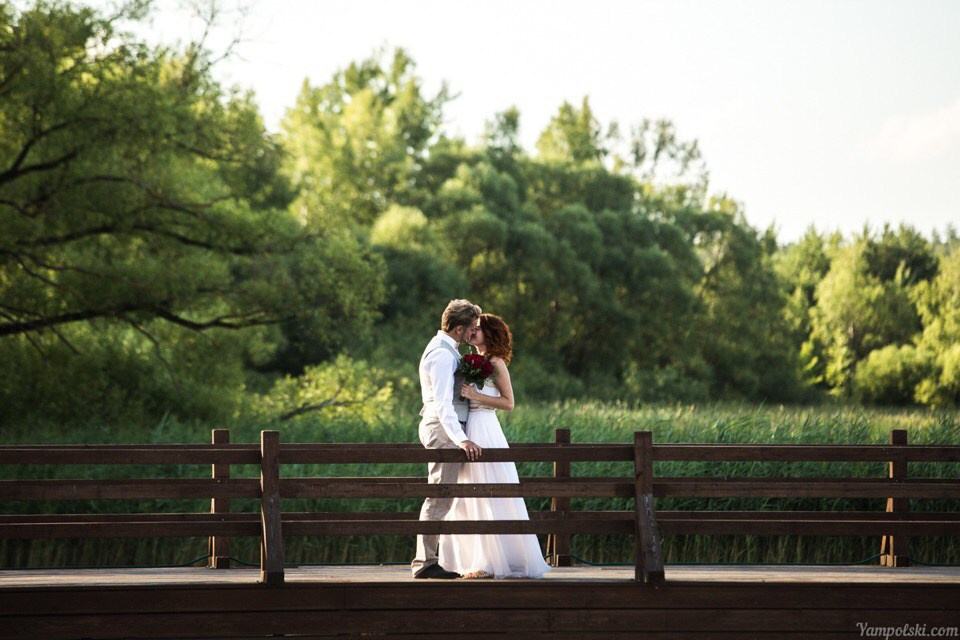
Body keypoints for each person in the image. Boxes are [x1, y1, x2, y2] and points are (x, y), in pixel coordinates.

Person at [438, 313, 552, 580]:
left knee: (490, 492)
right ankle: (468, 559)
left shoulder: (496, 362)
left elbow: (509, 403)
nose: (473, 332)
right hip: (468, 429)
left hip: (486, 429)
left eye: (478, 328)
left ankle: (492, 562)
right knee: (466, 494)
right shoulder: (469, 360)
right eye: (472, 328)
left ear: (489, 333)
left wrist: (476, 396)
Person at [410, 299, 483, 579]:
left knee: (444, 495)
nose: (472, 334)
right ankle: (425, 563)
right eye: (471, 329)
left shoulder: (447, 349)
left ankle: (431, 560)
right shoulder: (441, 354)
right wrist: (461, 438)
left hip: (445, 428)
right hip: (442, 430)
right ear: (458, 328)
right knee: (439, 495)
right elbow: (442, 403)